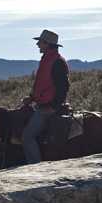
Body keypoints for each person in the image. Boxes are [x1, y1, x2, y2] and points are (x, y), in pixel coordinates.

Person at [21, 29, 70, 164]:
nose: (37, 44)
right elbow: (45, 86)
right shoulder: (48, 60)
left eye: (40, 42)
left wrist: (54, 108)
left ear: (47, 44)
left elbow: (63, 86)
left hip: (47, 107)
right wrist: (31, 98)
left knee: (27, 136)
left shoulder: (56, 62)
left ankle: (36, 167)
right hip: (44, 104)